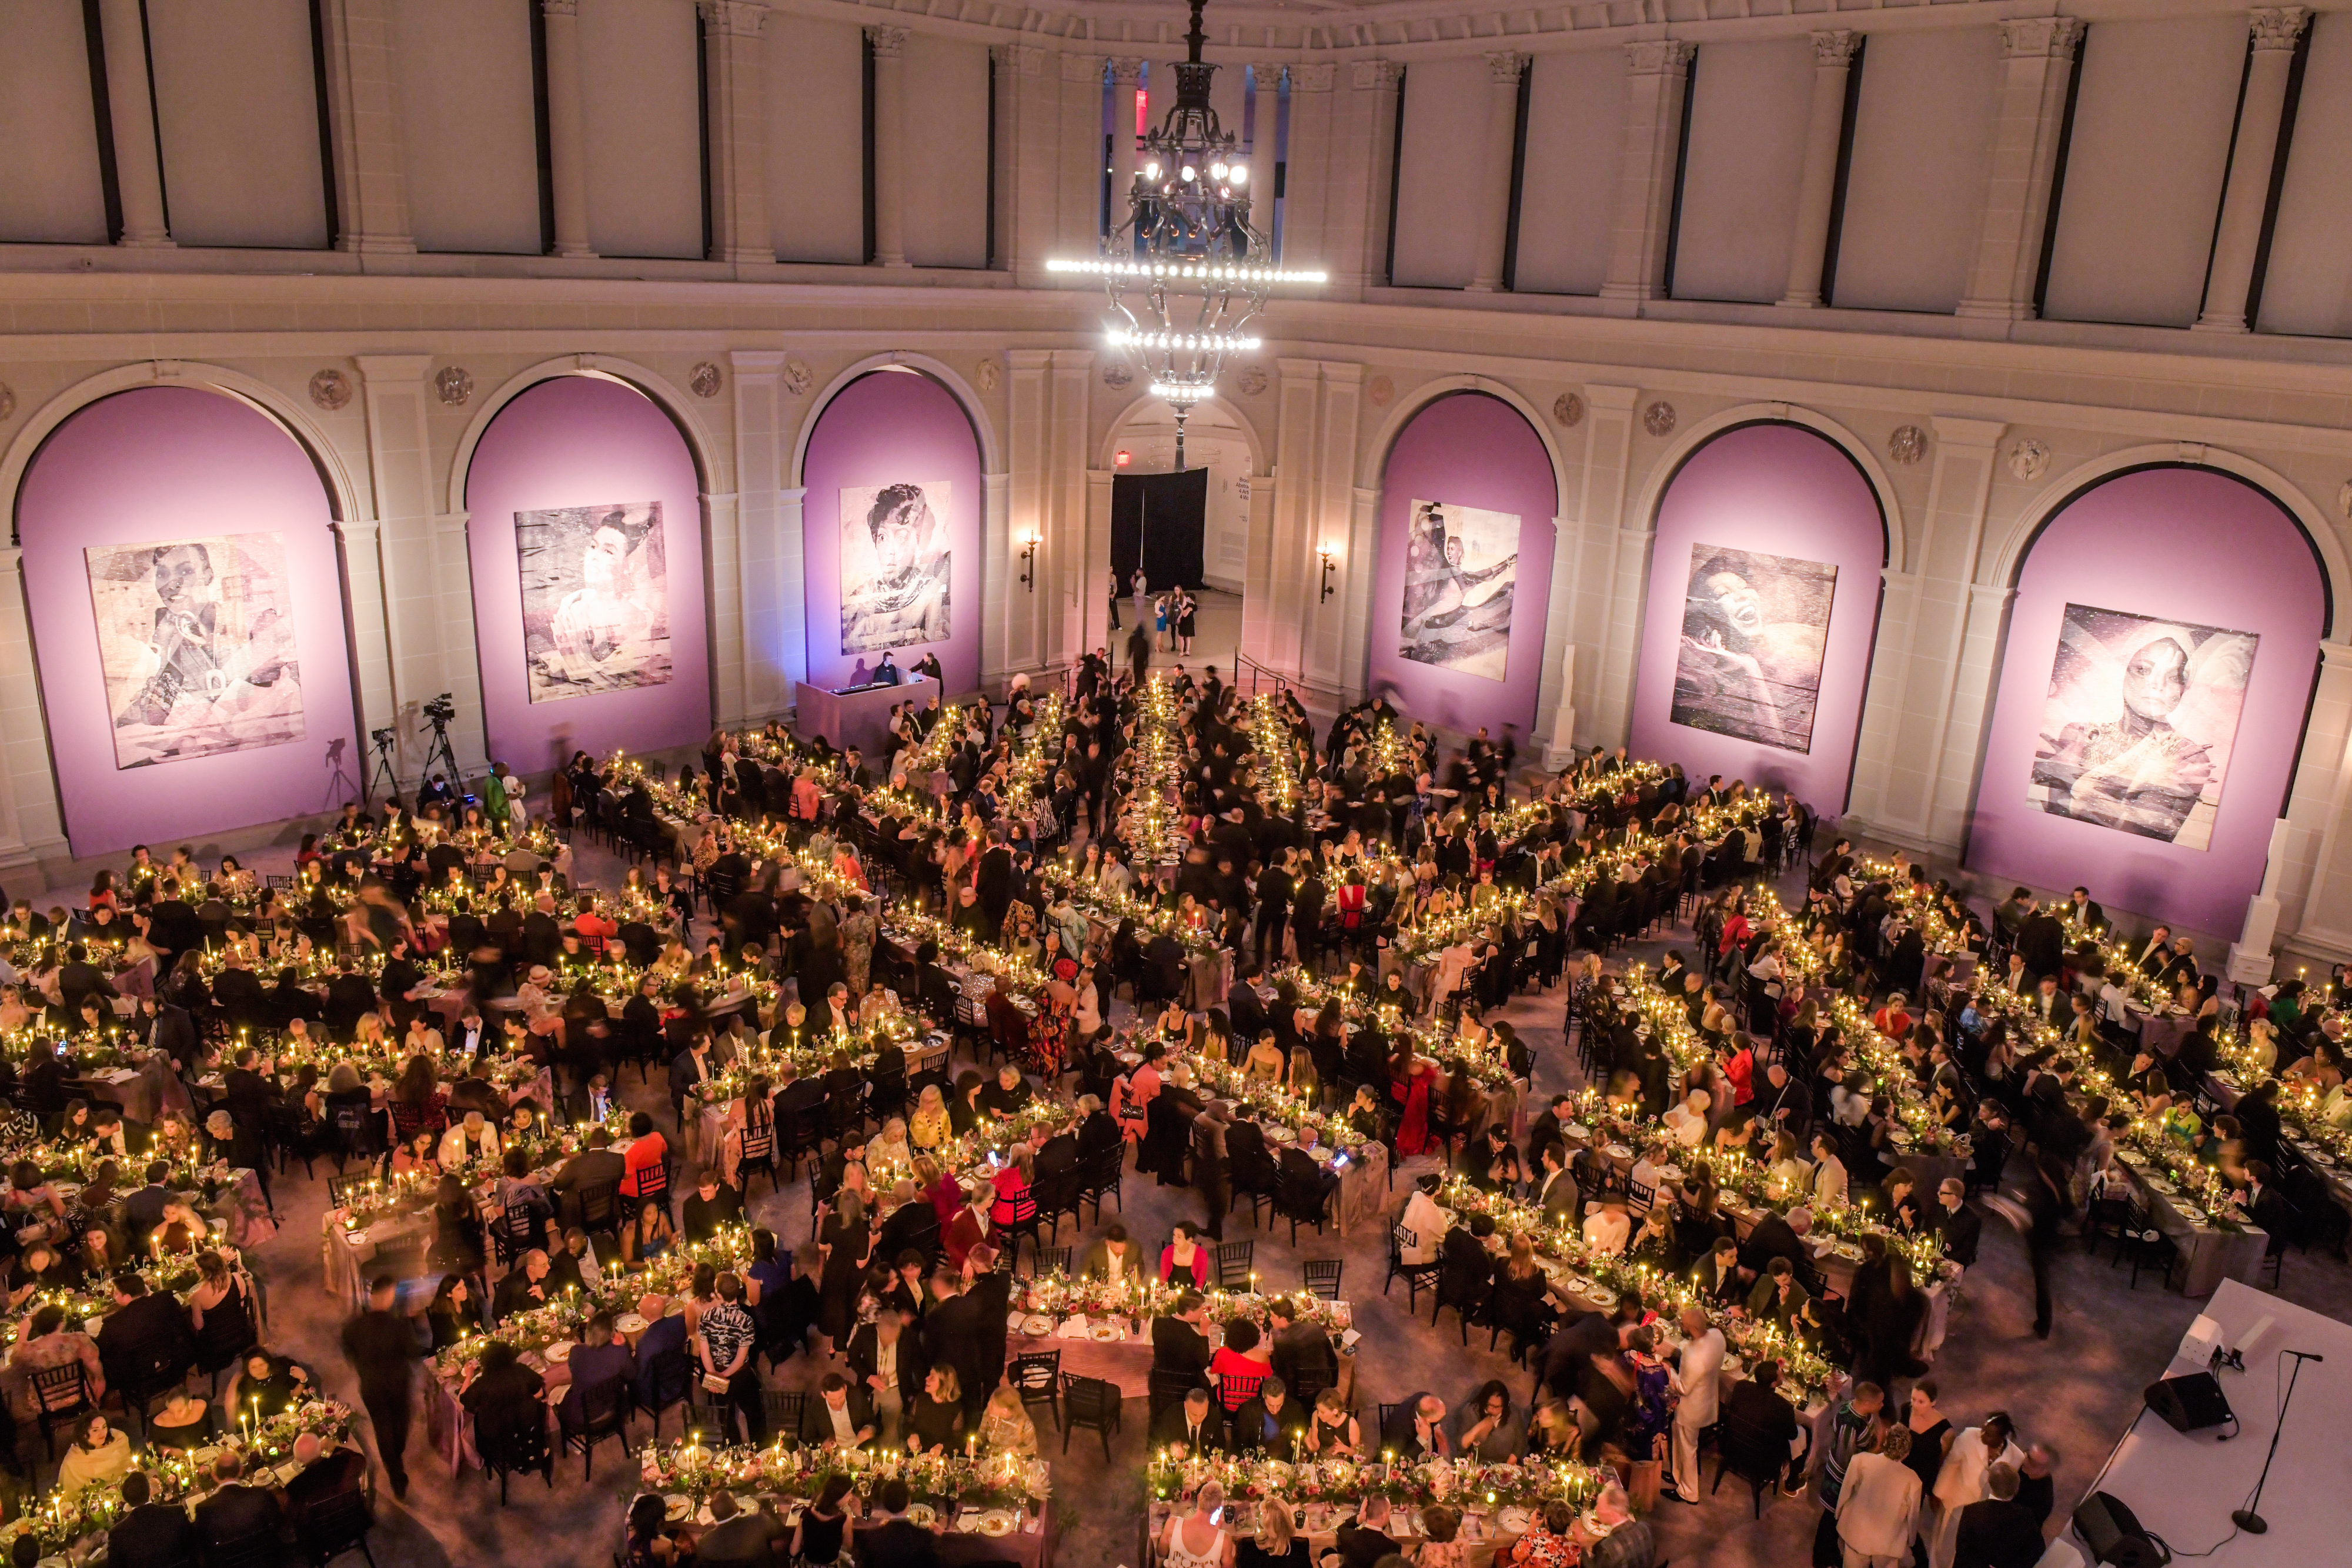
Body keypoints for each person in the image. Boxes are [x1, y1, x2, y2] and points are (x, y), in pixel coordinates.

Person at [340, 1274, 422, 1499]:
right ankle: (396, 1459)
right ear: (389, 1295)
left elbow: (349, 1352)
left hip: (371, 1386)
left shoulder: (353, 1327)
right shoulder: (399, 1326)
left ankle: (395, 1473)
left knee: (382, 1428)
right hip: (397, 1384)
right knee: (399, 1425)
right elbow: (414, 1354)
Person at [1838, 1426, 1923, 1568]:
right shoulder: (1913, 1480)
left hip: (1857, 1533)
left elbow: (1845, 1491)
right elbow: (1913, 1515)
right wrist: (1911, 1540)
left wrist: (1839, 1513)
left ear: (1885, 1443)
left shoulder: (1860, 1461)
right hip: (1888, 1541)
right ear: (1906, 1453)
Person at [1668, 1305, 1724, 1502]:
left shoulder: (1692, 1356)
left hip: (1691, 1410)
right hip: (1708, 1400)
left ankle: (1689, 1491)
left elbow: (1682, 1388)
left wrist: (1669, 1371)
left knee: (1688, 1448)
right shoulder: (1718, 1336)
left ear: (1691, 1329)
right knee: (1680, 1441)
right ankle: (1677, 1474)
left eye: (1683, 1323)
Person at [193, 1451, 284, 1559]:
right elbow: (279, 1523)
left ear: (214, 1476)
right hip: (267, 1559)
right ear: (241, 1471)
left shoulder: (204, 1509)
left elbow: (203, 1547)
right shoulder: (260, 1494)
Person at [1953, 1463, 2043, 1568]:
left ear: (1990, 1483)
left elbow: (1963, 1551)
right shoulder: (2026, 1516)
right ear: (2017, 1488)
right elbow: (2037, 1551)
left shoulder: (1972, 1512)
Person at [110, 1470, 199, 1568]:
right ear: (149, 1491)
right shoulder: (176, 1512)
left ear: (126, 1500)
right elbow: (194, 1547)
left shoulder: (117, 1534)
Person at [859, 1478, 940, 1568]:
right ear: (909, 1501)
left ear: (884, 1503)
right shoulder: (924, 1536)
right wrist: (939, 1538)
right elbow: (937, 1564)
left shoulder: (872, 1537)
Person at [1161, 1479, 1235, 1568]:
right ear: (1219, 1507)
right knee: (1233, 1549)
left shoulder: (1172, 1524)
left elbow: (1162, 1552)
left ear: (1199, 1497)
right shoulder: (1225, 1540)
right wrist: (1218, 1532)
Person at [788, 1474, 857, 1567]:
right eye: (849, 1494)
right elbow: (848, 1547)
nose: (851, 1497)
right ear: (838, 1497)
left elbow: (794, 1551)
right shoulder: (845, 1520)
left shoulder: (806, 1513)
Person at [56, 1411, 133, 1490]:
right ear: (85, 1434)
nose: (102, 1433)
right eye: (95, 1430)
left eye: (104, 1427)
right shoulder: (74, 1459)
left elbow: (128, 1466)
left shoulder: (119, 1439)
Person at [1334, 1495, 1400, 1568]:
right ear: (1384, 1516)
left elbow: (1341, 1528)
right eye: (1389, 1511)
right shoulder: (1394, 1549)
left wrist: (1359, 1518)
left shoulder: (1349, 1536)